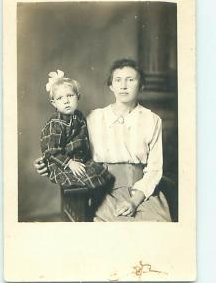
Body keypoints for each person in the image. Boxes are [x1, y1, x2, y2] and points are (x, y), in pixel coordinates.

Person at [35, 59, 171, 222]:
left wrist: (135, 200)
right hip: (104, 190)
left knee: (156, 226)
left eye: (130, 80)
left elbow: (155, 169)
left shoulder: (152, 119)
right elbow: (71, 149)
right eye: (118, 80)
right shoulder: (95, 118)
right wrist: (47, 162)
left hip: (143, 193)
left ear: (141, 85)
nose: (123, 86)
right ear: (111, 86)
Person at [40, 69, 113, 190]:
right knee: (83, 183)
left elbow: (85, 141)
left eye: (70, 95)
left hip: (81, 160)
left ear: (78, 97)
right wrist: (69, 163)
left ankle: (94, 203)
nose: (66, 101)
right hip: (62, 164)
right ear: (54, 103)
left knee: (102, 175)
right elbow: (51, 151)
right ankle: (82, 203)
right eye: (60, 98)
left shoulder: (78, 117)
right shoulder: (55, 124)